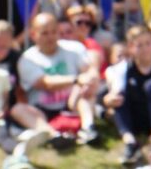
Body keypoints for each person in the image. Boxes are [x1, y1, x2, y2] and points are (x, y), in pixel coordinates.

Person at [107, 23, 151, 160]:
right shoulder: (124, 68)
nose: (145, 49)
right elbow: (115, 91)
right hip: (133, 115)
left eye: (148, 43)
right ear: (131, 48)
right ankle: (130, 141)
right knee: (120, 97)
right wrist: (110, 99)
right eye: (139, 45)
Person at [19, 11, 95, 141]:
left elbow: (88, 72)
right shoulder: (27, 59)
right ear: (33, 35)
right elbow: (45, 83)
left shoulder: (75, 48)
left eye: (54, 32)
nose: (50, 37)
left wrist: (88, 79)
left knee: (84, 89)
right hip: (42, 109)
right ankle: (53, 136)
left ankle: (89, 129)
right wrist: (76, 79)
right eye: (45, 33)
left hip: (72, 104)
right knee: (18, 109)